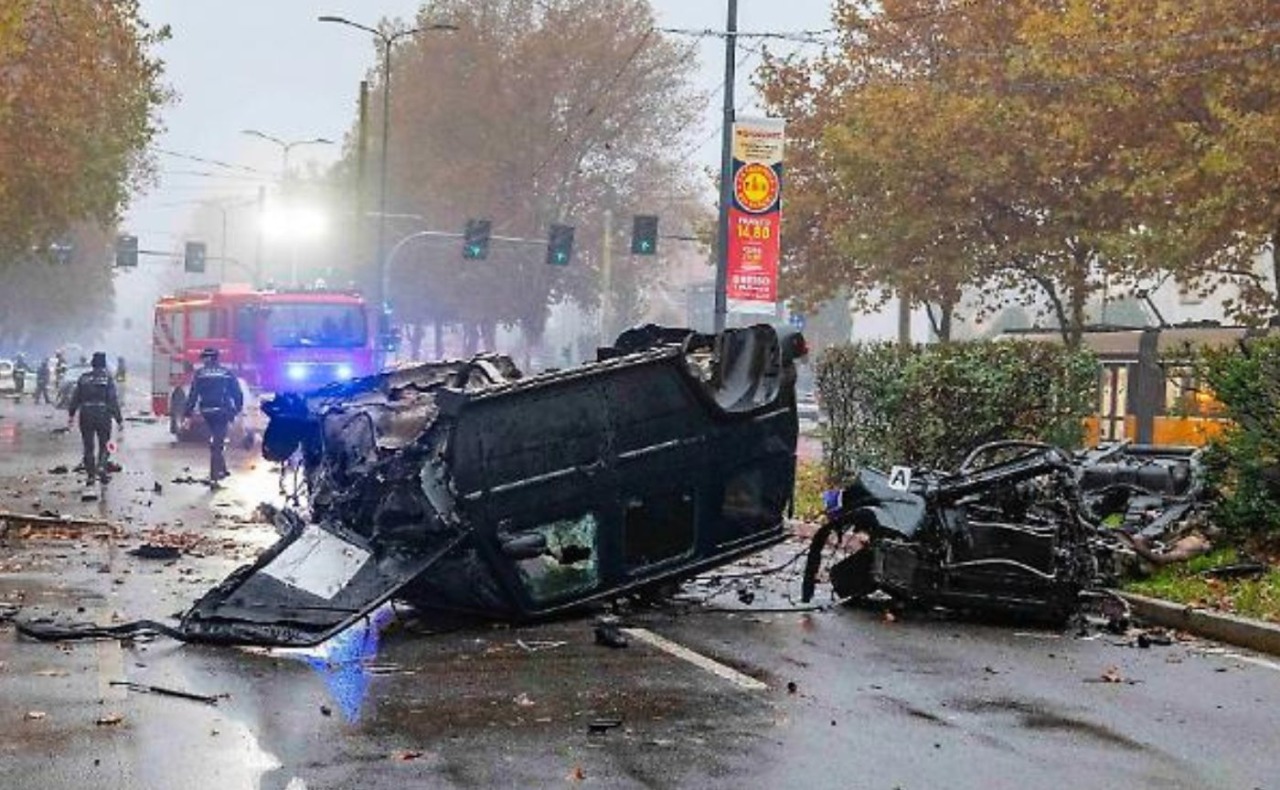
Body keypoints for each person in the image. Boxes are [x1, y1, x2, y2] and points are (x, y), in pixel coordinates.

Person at [183, 348, 243, 482]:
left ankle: (221, 468)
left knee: (216, 438)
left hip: (207, 411)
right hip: (223, 411)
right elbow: (237, 392)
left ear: (206, 359)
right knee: (218, 440)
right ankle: (215, 473)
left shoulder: (199, 374)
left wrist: (188, 414)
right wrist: (237, 409)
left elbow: (193, 395)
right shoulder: (226, 373)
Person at [66, 352, 124, 485]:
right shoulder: (107, 379)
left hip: (86, 414)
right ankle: (102, 466)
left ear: (92, 364)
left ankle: (91, 476)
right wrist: (119, 419)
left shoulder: (83, 378)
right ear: (103, 365)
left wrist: (71, 414)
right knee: (106, 445)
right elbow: (112, 401)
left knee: (88, 446)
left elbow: (75, 398)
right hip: (103, 415)